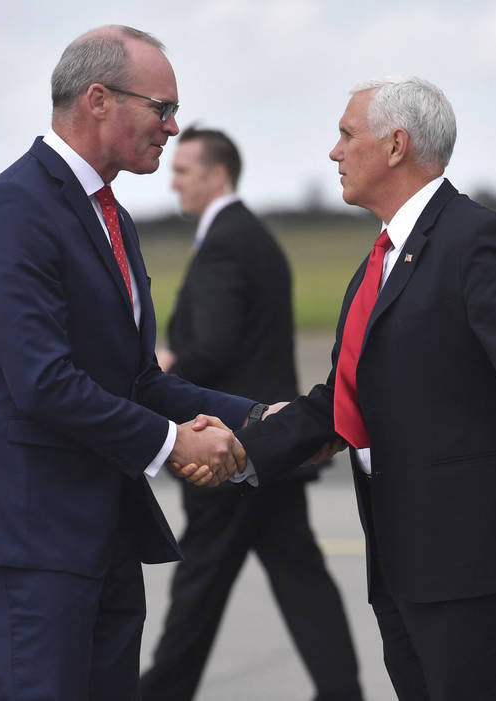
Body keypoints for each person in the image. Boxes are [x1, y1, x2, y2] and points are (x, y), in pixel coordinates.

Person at [220, 76, 496, 701]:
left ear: (395, 146)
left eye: (346, 135)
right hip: (404, 551)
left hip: (471, 555)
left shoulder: (476, 239)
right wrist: (244, 449)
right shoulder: (381, 259)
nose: (333, 152)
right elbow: (345, 399)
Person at [0, 26, 259, 700]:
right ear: (98, 100)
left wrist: (258, 417)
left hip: (101, 516)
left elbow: (137, 379)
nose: (173, 128)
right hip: (32, 524)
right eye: (162, 109)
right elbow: (43, 383)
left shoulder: (111, 218)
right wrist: (174, 443)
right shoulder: (13, 209)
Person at [140, 127, 363, 701]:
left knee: (199, 585)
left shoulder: (224, 243)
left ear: (218, 175)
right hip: (273, 445)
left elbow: (213, 346)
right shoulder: (254, 236)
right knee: (299, 577)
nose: (174, 180)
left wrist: (164, 365)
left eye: (184, 170)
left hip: (233, 446)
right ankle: (341, 690)